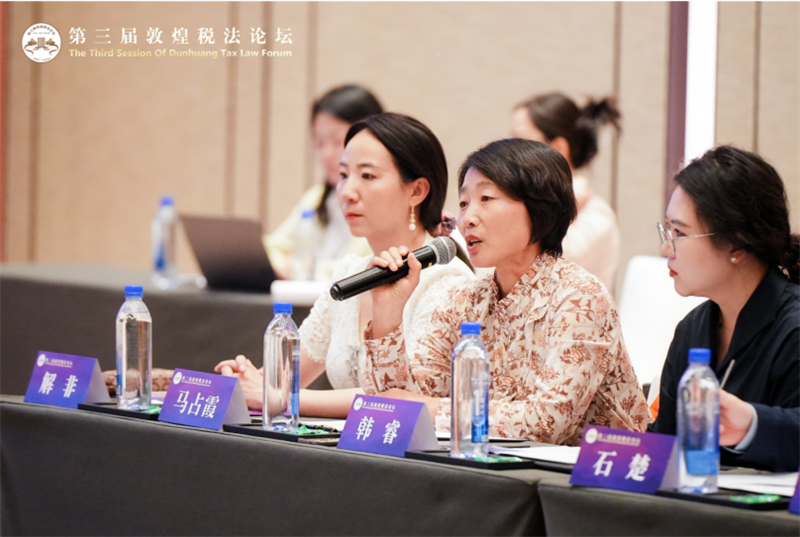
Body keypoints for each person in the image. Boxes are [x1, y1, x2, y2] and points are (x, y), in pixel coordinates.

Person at [361, 138, 649, 445]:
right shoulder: (465, 299)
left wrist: (428, 408)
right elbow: (396, 404)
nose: (467, 219)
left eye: (486, 198)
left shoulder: (580, 297)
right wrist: (388, 313)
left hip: (599, 471)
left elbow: (545, 423)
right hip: (494, 465)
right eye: (463, 203)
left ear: (539, 207)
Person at [216, 113, 475, 416]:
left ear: (416, 191)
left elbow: (404, 398)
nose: (347, 192)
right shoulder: (352, 272)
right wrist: (246, 381)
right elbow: (282, 379)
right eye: (343, 175)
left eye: (367, 176)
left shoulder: (448, 281)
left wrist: (281, 397)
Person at [649, 145, 800, 472]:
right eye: (667, 230)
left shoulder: (794, 327)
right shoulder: (692, 328)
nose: (665, 248)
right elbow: (664, 447)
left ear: (736, 243)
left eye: (679, 233)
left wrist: (752, 424)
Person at [265, 84, 383, 280]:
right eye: (319, 143)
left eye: (337, 141)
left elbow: (366, 268)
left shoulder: (381, 198)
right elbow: (271, 248)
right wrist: (288, 266)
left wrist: (304, 269)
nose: (326, 154)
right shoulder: (317, 196)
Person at [511, 92, 621, 290]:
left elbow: (544, 264)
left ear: (558, 148)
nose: (507, 152)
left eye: (519, 141)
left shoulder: (597, 215)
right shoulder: (522, 203)